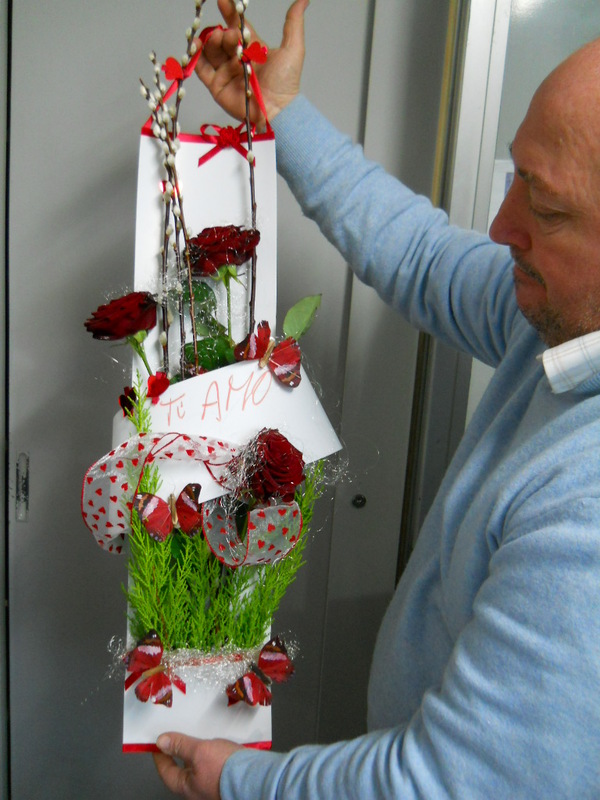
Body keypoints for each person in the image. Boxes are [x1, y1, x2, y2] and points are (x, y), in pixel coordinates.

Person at [153, 1, 600, 797]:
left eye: (548, 207)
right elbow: (424, 254)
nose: (501, 227)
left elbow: (453, 784)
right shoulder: (561, 322)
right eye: (516, 181)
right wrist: (279, 112)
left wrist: (241, 784)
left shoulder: (589, 505)